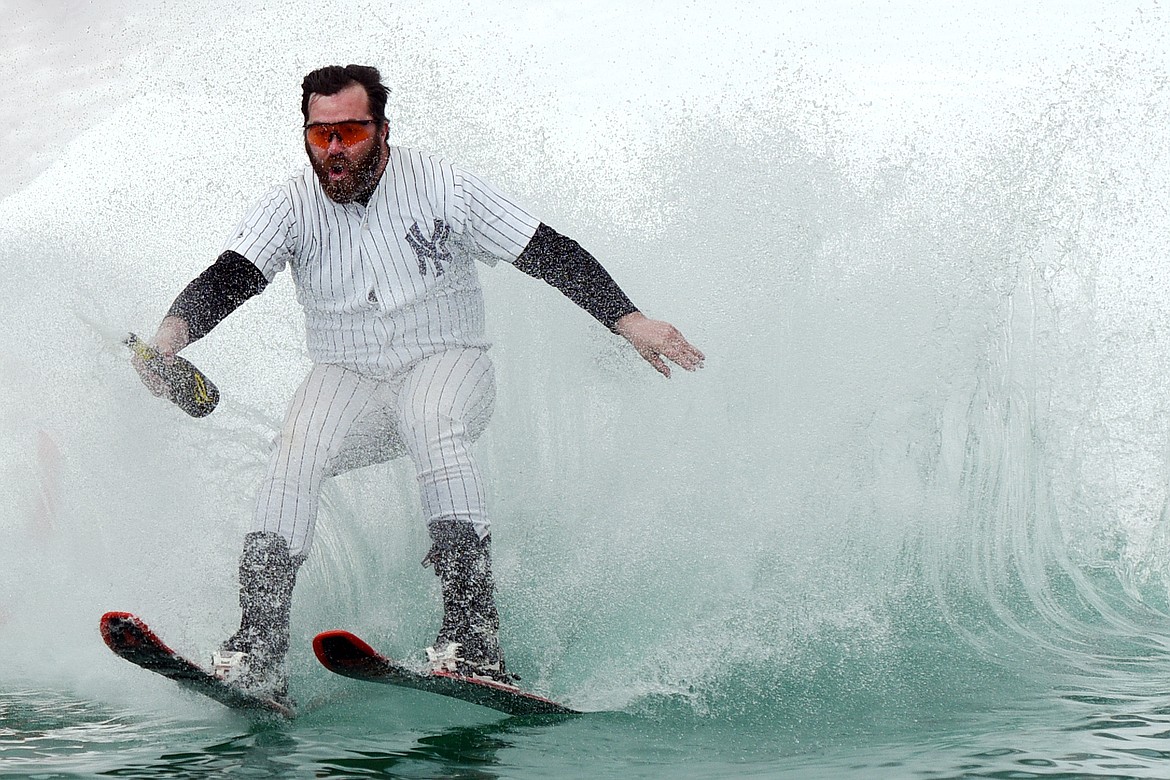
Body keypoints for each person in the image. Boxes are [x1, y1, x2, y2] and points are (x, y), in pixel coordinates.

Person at [133, 64, 704, 706]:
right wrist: (166, 345)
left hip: (450, 363)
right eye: (320, 137)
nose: (335, 150)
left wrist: (630, 321)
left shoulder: (444, 188)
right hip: (348, 377)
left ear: (380, 129)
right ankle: (258, 651)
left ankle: (474, 639)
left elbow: (549, 251)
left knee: (432, 423)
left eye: (349, 132)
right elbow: (229, 276)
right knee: (294, 454)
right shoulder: (291, 203)